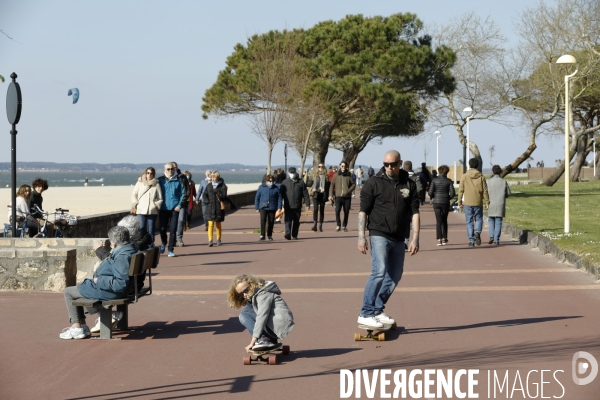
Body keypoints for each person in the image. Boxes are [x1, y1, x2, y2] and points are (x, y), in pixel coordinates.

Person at [357, 150, 420, 328]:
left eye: (393, 164)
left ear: (400, 164)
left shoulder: (409, 184)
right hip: (379, 233)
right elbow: (363, 212)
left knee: (395, 276)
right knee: (379, 271)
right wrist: (361, 237)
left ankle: (377, 309)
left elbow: (415, 213)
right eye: (386, 164)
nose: (389, 168)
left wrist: (415, 238)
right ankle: (366, 313)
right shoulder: (373, 183)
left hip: (399, 236)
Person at [59, 226, 136, 339]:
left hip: (114, 292)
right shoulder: (128, 250)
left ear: (114, 243)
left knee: (69, 292)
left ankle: (77, 328)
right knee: (82, 289)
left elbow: (120, 284)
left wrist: (99, 280)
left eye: (110, 242)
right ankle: (83, 327)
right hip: (119, 289)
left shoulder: (122, 257)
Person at [227, 275, 295, 352]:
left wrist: (253, 341)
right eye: (241, 294)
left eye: (246, 290)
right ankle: (270, 340)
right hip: (275, 325)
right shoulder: (257, 295)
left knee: (244, 315)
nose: (244, 295)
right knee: (247, 308)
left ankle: (264, 339)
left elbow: (262, 316)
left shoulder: (263, 295)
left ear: (252, 284)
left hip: (278, 326)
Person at [458, 158, 490, 247]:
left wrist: (459, 201)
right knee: (479, 219)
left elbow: (461, 190)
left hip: (468, 202)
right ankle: (477, 232)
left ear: (470, 165)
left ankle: (471, 241)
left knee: (469, 221)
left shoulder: (464, 176)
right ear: (477, 165)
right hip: (478, 201)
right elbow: (485, 190)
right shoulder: (481, 176)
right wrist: (487, 201)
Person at [157, 163, 185, 257]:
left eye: (172, 169)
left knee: (173, 230)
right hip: (163, 208)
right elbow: (149, 184)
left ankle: (170, 249)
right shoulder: (160, 180)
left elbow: (184, 193)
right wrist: (141, 179)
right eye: (168, 169)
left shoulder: (179, 180)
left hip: (174, 208)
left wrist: (179, 205)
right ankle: (164, 242)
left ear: (175, 169)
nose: (170, 171)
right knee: (162, 229)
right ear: (165, 170)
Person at [131, 167, 163, 246]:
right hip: (141, 210)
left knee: (151, 230)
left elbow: (160, 198)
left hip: (152, 211)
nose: (149, 175)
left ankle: (150, 246)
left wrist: (156, 205)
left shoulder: (156, 184)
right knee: (142, 230)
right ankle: (141, 246)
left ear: (153, 174)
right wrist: (136, 203)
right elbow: (133, 194)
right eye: (148, 173)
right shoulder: (140, 183)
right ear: (145, 173)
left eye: (151, 173)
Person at [428, 165, 455, 246]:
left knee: (438, 220)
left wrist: (434, 197)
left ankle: (439, 239)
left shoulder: (434, 180)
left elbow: (430, 192)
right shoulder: (449, 181)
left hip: (436, 202)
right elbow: (453, 193)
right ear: (447, 172)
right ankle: (444, 238)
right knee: (444, 220)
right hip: (445, 202)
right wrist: (447, 197)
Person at [280, 167, 310, 240]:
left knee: (296, 221)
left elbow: (305, 194)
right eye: (291, 173)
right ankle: (288, 233)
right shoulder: (284, 183)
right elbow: (280, 194)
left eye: (293, 172)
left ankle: (294, 235)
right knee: (288, 220)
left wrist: (307, 204)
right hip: (288, 205)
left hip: (297, 205)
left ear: (296, 172)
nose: (292, 174)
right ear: (288, 173)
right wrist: (280, 205)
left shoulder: (301, 182)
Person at [487, 165, 511, 245]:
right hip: (500, 203)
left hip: (491, 203)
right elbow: (508, 193)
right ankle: (496, 239)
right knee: (498, 221)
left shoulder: (488, 181)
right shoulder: (503, 181)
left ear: (493, 171)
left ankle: (491, 236)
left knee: (491, 220)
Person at [329, 161, 355, 232]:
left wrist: (348, 191)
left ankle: (344, 226)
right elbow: (332, 185)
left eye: (345, 166)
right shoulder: (336, 175)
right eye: (342, 166)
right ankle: (338, 225)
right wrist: (330, 194)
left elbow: (353, 184)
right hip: (338, 196)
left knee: (346, 211)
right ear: (340, 166)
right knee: (337, 210)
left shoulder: (349, 175)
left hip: (347, 197)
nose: (343, 167)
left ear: (346, 167)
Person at [203, 170, 228, 247]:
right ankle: (210, 240)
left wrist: (216, 191)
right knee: (210, 224)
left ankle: (218, 239)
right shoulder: (209, 186)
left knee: (218, 224)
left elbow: (224, 196)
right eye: (212, 177)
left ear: (218, 177)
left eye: (214, 177)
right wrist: (207, 202)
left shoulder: (223, 186)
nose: (213, 179)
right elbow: (204, 195)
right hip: (210, 207)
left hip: (218, 208)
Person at [254, 174, 282, 241]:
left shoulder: (276, 188)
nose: (270, 182)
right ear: (266, 181)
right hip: (263, 207)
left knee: (271, 221)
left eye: (271, 181)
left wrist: (279, 207)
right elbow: (257, 198)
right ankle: (262, 235)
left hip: (272, 207)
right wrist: (257, 207)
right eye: (269, 181)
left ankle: (269, 235)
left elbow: (279, 198)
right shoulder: (261, 187)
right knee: (263, 220)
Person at [402, 161, 423, 246]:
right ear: (411, 167)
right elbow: (420, 188)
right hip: (412, 202)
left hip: (402, 201)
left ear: (403, 167)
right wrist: (416, 196)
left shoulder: (400, 177)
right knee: (409, 221)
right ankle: (406, 240)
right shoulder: (416, 177)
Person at [172, 162, 190, 247]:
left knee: (181, 220)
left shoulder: (182, 177)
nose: (173, 169)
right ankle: (173, 239)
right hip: (172, 203)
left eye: (175, 167)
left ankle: (179, 238)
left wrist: (183, 200)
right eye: (172, 167)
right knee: (173, 222)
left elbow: (187, 190)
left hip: (182, 203)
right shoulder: (168, 177)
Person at [310, 163, 330, 232]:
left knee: (321, 210)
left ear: (324, 168)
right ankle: (315, 224)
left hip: (323, 194)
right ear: (317, 167)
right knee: (315, 209)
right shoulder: (314, 175)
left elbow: (328, 187)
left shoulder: (326, 176)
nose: (320, 168)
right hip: (315, 194)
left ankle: (320, 225)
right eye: (319, 166)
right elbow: (309, 183)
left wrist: (329, 195)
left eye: (322, 167)